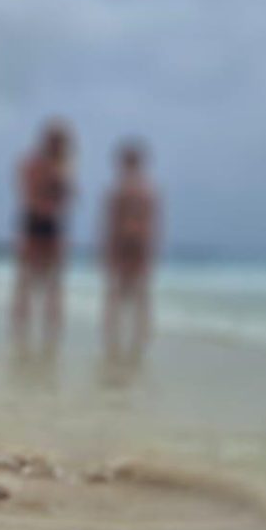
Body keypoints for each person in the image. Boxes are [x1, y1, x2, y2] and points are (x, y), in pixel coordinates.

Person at [13, 119, 74, 361]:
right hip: (33, 222)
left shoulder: (64, 166)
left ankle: (51, 337)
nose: (57, 145)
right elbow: (27, 195)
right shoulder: (30, 163)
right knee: (26, 280)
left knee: (53, 283)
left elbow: (68, 198)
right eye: (55, 141)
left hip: (53, 225)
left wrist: (61, 174)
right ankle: (21, 334)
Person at [101, 140, 160, 371]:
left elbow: (153, 223)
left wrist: (151, 249)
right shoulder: (118, 191)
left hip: (139, 243)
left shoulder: (147, 191)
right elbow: (109, 222)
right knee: (118, 291)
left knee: (138, 292)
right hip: (123, 242)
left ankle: (140, 337)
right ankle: (114, 337)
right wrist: (107, 250)